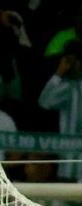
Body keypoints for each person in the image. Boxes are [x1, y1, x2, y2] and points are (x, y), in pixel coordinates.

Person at [38, 40, 82, 182]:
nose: (70, 66)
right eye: (67, 62)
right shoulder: (70, 88)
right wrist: (58, 74)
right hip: (69, 165)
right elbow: (44, 102)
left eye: (72, 62)